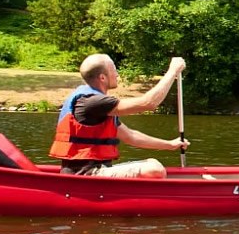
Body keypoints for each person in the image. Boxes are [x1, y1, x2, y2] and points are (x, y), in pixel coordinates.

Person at [49, 54, 189, 178]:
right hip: (86, 174)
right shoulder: (92, 102)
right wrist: (173, 71)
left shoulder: (98, 106)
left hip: (97, 171)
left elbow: (131, 137)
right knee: (154, 169)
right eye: (114, 70)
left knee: (152, 162)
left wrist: (170, 145)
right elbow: (148, 103)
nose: (117, 75)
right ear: (102, 77)